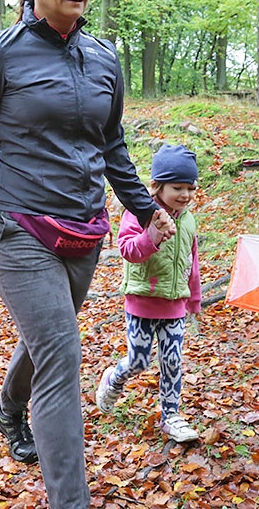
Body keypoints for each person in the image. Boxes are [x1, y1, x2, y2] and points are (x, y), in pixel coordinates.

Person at [0, 0, 173, 509]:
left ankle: (9, 407)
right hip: (20, 226)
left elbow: (111, 145)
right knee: (63, 355)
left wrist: (147, 210)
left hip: (86, 229)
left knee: (48, 337)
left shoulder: (104, 58)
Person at [95, 143, 202, 443]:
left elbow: (191, 261)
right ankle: (113, 379)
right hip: (142, 303)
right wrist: (151, 234)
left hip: (174, 305)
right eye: (177, 187)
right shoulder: (140, 212)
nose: (185, 195)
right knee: (139, 361)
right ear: (157, 186)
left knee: (172, 361)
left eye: (190, 188)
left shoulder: (188, 219)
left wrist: (193, 297)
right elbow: (127, 250)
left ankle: (171, 416)